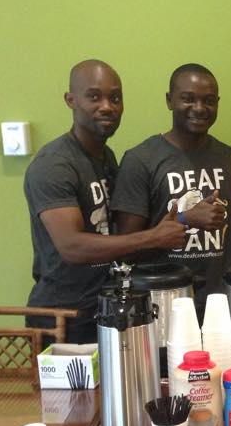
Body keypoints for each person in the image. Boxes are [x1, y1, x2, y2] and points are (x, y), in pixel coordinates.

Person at [24, 60, 186, 343]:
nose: (107, 106)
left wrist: (184, 219)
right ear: (71, 100)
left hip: (105, 307)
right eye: (94, 97)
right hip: (64, 317)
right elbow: (72, 246)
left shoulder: (106, 158)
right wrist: (154, 238)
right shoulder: (54, 164)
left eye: (115, 98)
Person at [110, 63, 231, 318]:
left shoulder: (228, 156)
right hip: (163, 303)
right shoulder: (141, 159)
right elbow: (126, 249)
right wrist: (185, 218)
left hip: (221, 304)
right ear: (170, 100)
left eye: (209, 101)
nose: (199, 108)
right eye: (188, 99)